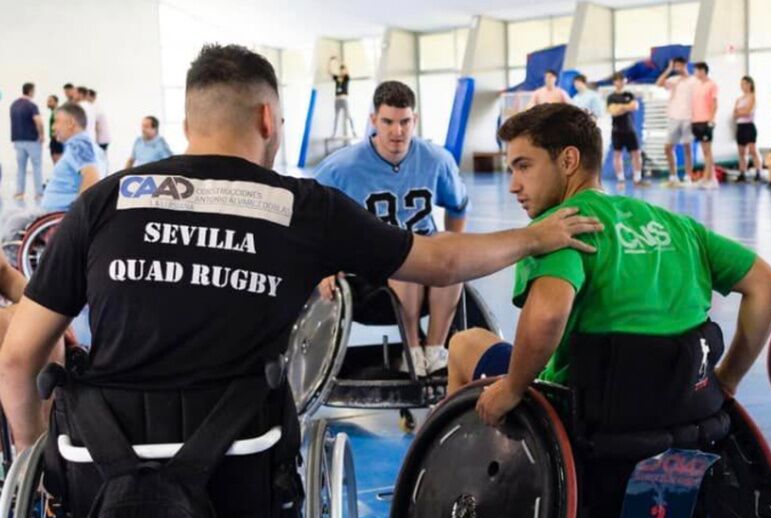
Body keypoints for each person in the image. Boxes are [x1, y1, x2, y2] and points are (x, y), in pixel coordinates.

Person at [0, 44, 601, 452]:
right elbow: (442, 259)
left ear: (187, 122)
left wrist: (32, 456)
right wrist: (533, 236)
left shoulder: (104, 203)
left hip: (111, 446)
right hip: (242, 446)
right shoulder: (301, 205)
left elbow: (16, 358)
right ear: (268, 118)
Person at [444, 103, 771, 428]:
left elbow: (548, 315)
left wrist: (513, 389)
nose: (514, 185)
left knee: (464, 343)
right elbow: (768, 284)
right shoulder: (677, 225)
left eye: (523, 166)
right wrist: (727, 380)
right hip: (685, 403)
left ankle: (464, 471)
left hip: (582, 411)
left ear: (568, 161)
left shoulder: (558, 229)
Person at [313, 79, 471, 377]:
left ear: (415, 121)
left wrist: (456, 246)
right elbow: (312, 217)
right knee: (402, 252)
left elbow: (458, 206)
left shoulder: (437, 160)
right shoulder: (341, 167)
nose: (397, 132)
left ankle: (435, 350)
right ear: (373, 120)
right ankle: (412, 348)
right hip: (368, 276)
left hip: (428, 267)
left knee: (449, 249)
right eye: (387, 122)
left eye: (405, 122)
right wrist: (325, 266)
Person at [40, 103, 104, 212]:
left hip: (58, 216)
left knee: (12, 220)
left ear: (70, 123)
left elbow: (92, 177)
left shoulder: (79, 145)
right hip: (56, 214)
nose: (53, 127)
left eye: (56, 121)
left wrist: (76, 216)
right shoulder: (88, 145)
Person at [656, 56, 696, 188]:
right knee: (668, 147)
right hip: (674, 117)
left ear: (685, 65)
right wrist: (669, 70)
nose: (678, 68)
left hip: (688, 117)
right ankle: (673, 176)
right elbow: (659, 83)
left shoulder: (693, 81)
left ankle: (688, 176)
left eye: (680, 65)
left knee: (687, 147)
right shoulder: (674, 80)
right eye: (676, 66)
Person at [606, 72, 648, 188]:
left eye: (622, 80)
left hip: (630, 129)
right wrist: (626, 106)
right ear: (614, 82)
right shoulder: (611, 97)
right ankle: (621, 180)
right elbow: (612, 111)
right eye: (617, 80)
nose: (619, 82)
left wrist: (619, 107)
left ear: (625, 81)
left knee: (636, 153)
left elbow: (634, 106)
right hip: (617, 130)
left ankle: (637, 179)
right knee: (617, 154)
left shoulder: (630, 94)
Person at [10, 82, 44, 202]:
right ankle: (39, 193)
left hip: (18, 140)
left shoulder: (14, 105)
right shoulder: (31, 105)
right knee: (37, 167)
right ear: (30, 91)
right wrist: (42, 135)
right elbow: (38, 121)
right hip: (32, 140)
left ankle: (19, 193)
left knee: (21, 168)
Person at [690, 62, 719, 190]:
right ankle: (707, 177)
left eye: (696, 70)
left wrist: (711, 120)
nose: (695, 73)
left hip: (706, 121)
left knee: (708, 151)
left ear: (702, 71)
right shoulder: (696, 86)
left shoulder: (712, 85)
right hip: (696, 121)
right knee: (704, 151)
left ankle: (711, 179)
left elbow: (714, 103)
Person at [734, 76, 761, 182]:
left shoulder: (752, 97)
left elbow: (748, 112)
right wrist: (741, 111)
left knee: (752, 150)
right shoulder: (739, 99)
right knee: (741, 152)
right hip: (740, 126)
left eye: (745, 83)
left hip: (749, 126)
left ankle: (758, 171)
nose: (743, 86)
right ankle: (742, 172)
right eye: (741, 84)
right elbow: (734, 114)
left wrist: (741, 111)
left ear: (750, 84)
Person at [328, 57, 356, 138]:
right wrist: (330, 62)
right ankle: (333, 133)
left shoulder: (346, 78)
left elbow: (347, 69)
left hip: (344, 99)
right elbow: (329, 72)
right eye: (341, 70)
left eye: (343, 70)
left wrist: (340, 61)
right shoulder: (337, 78)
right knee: (336, 117)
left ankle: (353, 131)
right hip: (337, 100)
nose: (342, 71)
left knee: (348, 115)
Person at [89, 89, 110, 154]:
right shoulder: (96, 107)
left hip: (100, 139)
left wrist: (94, 140)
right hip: (102, 139)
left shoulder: (95, 108)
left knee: (100, 158)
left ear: (93, 97)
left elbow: (96, 125)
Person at [46, 94, 64, 164]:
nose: (48, 103)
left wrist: (56, 138)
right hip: (54, 140)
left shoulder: (57, 111)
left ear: (56, 102)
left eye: (50, 101)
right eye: (48, 101)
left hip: (57, 140)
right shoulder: (54, 112)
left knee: (58, 164)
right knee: (57, 164)